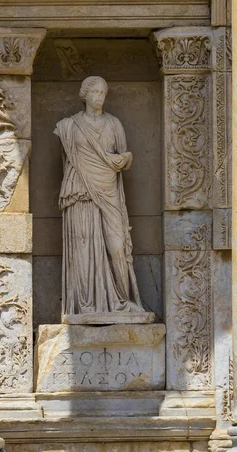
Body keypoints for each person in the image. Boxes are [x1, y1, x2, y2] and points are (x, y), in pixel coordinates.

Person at [54, 76, 145, 317]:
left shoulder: (114, 124)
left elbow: (124, 155)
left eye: (103, 92)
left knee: (117, 246)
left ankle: (122, 300)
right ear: (85, 94)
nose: (99, 97)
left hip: (108, 189)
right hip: (80, 190)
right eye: (95, 92)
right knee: (83, 247)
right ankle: (86, 305)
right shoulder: (68, 126)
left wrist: (124, 159)